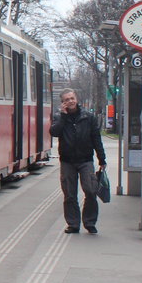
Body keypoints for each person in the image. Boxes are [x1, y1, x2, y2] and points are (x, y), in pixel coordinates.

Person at [50, 88, 107, 234]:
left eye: (72, 98)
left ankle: (89, 222)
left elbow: (96, 138)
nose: (70, 101)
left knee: (90, 190)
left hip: (85, 160)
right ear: (63, 103)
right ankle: (73, 224)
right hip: (67, 161)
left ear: (76, 99)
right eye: (67, 100)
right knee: (69, 193)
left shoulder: (88, 117)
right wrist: (63, 116)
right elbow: (54, 132)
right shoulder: (58, 117)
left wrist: (102, 158)